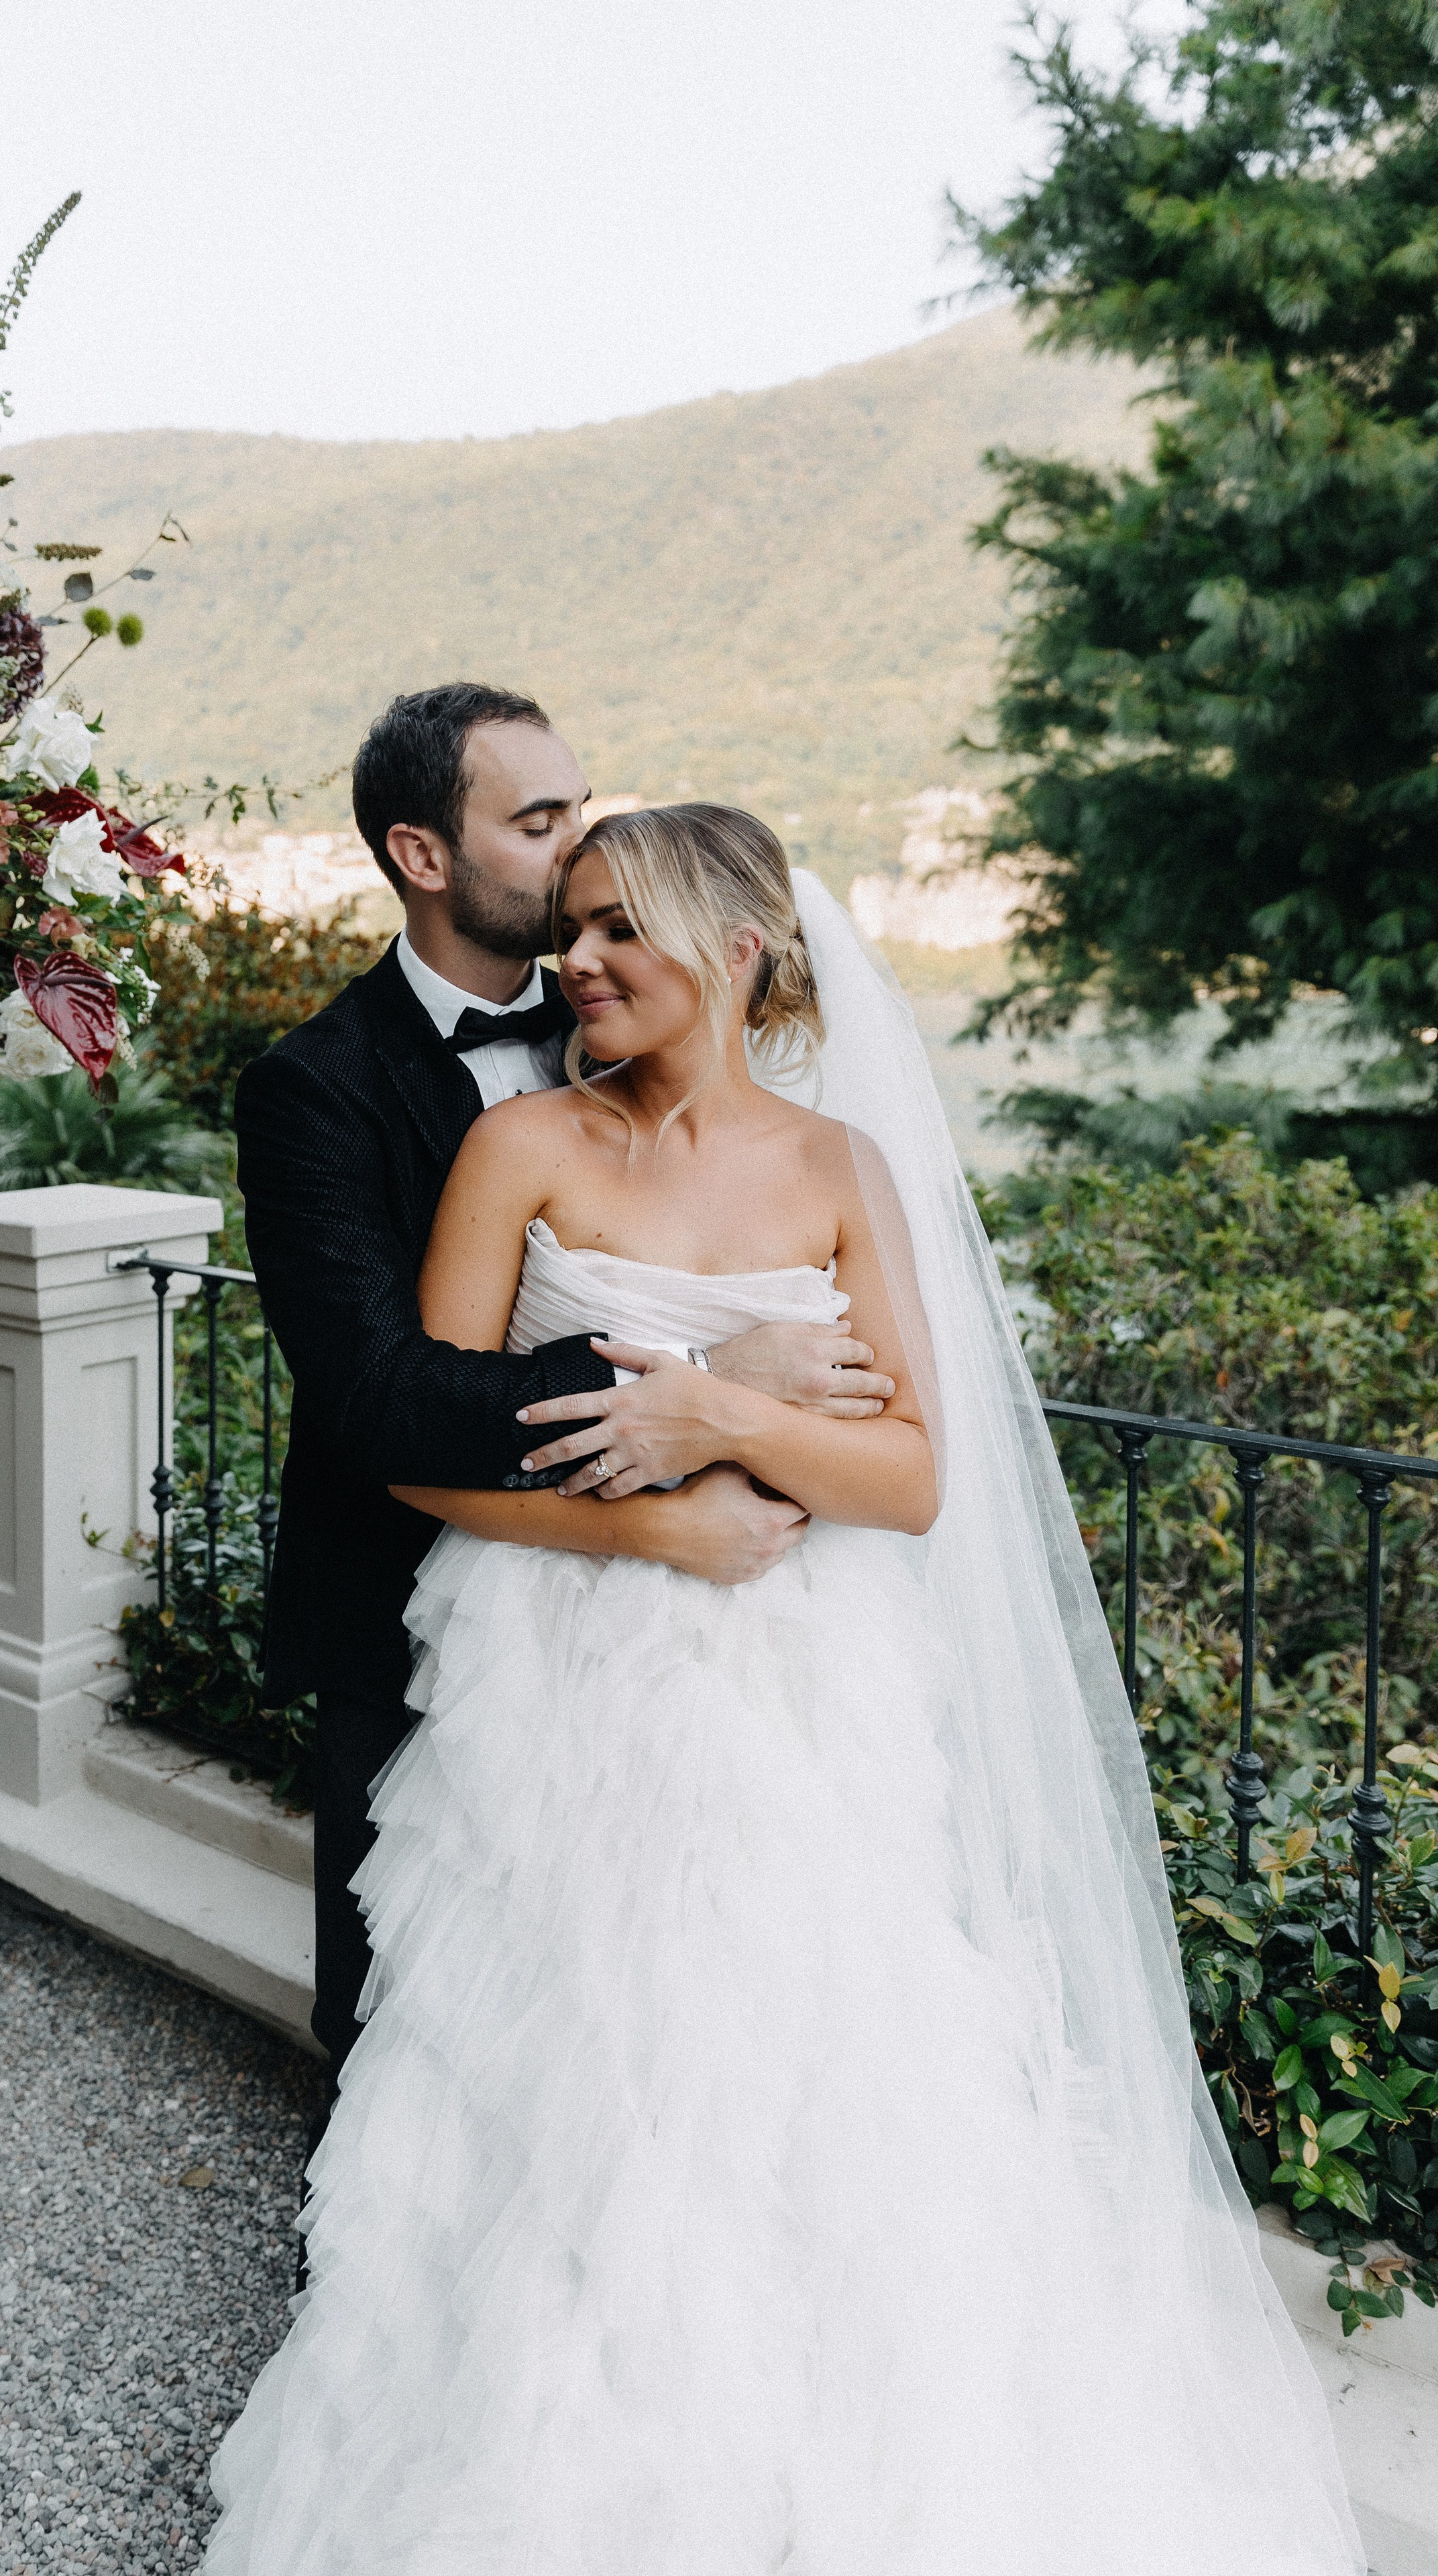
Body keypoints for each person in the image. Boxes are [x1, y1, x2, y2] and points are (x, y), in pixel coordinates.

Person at [207, 805, 1364, 2573]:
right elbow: (420, 1455)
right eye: (571, 924)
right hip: (552, 1665)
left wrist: (715, 1412)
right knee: (565, 2046)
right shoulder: (521, 1146)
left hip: (797, 1694)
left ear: (734, 948)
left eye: (617, 928)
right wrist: (656, 1513)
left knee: (791, 2052)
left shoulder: (839, 1170)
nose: (575, 960)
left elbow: (911, 1474)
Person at [235, 686, 896, 2071]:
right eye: (540, 825)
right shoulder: (316, 1088)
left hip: (724, 1638)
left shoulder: (632, 1008)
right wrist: (701, 1385)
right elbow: (382, 1401)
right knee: (406, 2019)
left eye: (581, 816)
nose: (578, 854)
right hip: (424, 1605)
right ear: (424, 855)